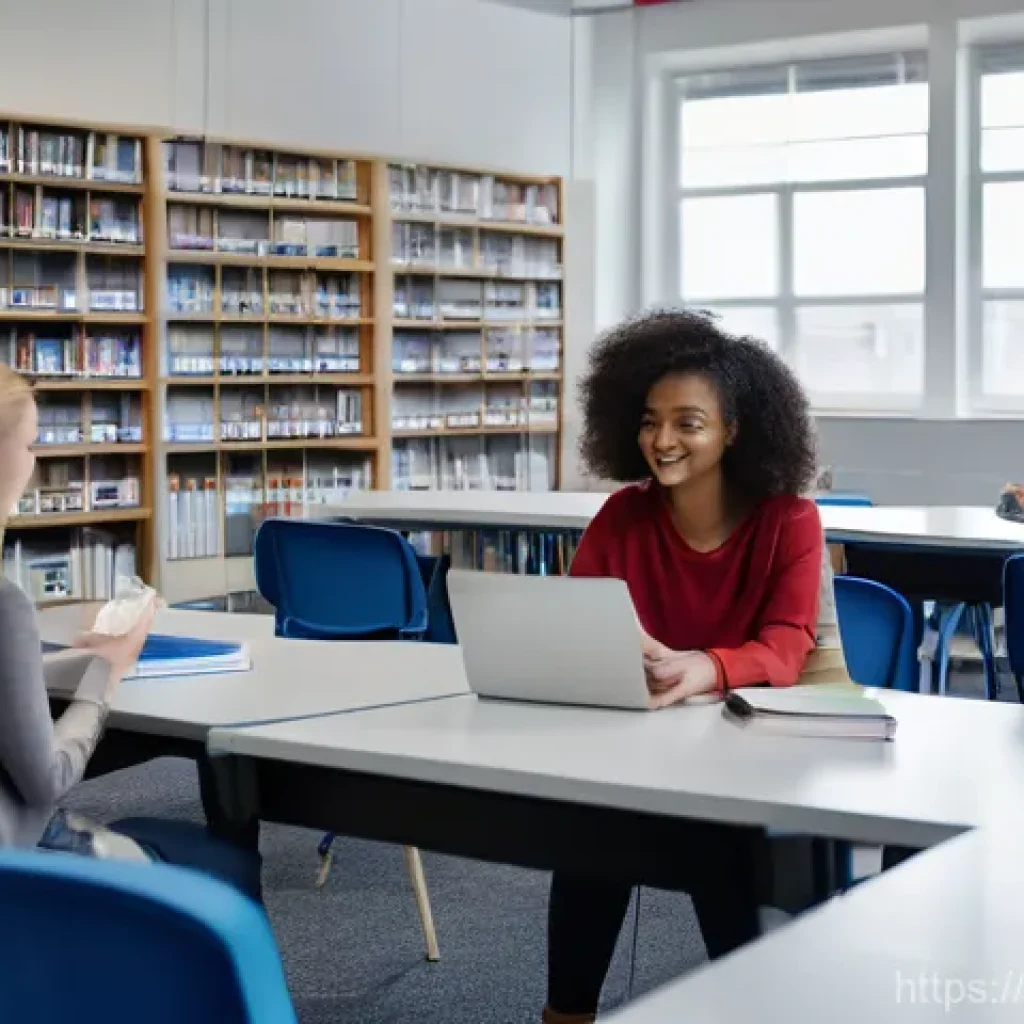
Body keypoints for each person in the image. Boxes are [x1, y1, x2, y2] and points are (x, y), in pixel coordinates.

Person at [543, 310, 822, 1024]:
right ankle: (566, 1014)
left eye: (688, 422)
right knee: (591, 838)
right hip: (633, 747)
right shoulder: (620, 517)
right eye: (649, 420)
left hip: (741, 758)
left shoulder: (789, 519)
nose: (662, 441)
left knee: (717, 853)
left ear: (735, 429)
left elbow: (789, 645)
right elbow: (575, 628)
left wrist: (704, 668)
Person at [0, 366, 260, 900]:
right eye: (29, 445)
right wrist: (108, 671)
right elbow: (46, 778)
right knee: (227, 865)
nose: (34, 463)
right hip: (19, 861)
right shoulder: (6, 604)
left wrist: (79, 658)